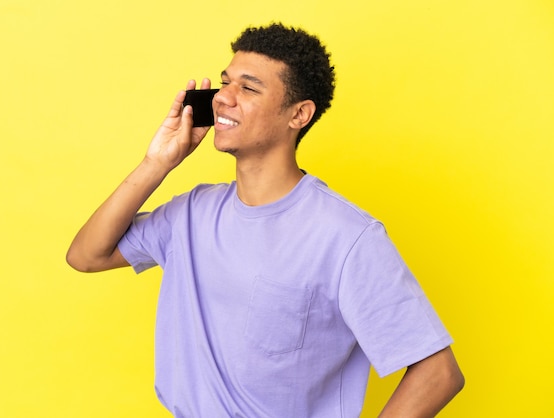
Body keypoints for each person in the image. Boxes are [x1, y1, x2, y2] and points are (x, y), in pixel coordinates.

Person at [67, 23, 464, 418]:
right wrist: (157, 163)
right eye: (225, 82)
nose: (224, 97)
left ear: (299, 115)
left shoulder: (346, 236)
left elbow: (438, 373)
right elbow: (86, 256)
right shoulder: (189, 214)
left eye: (248, 88)